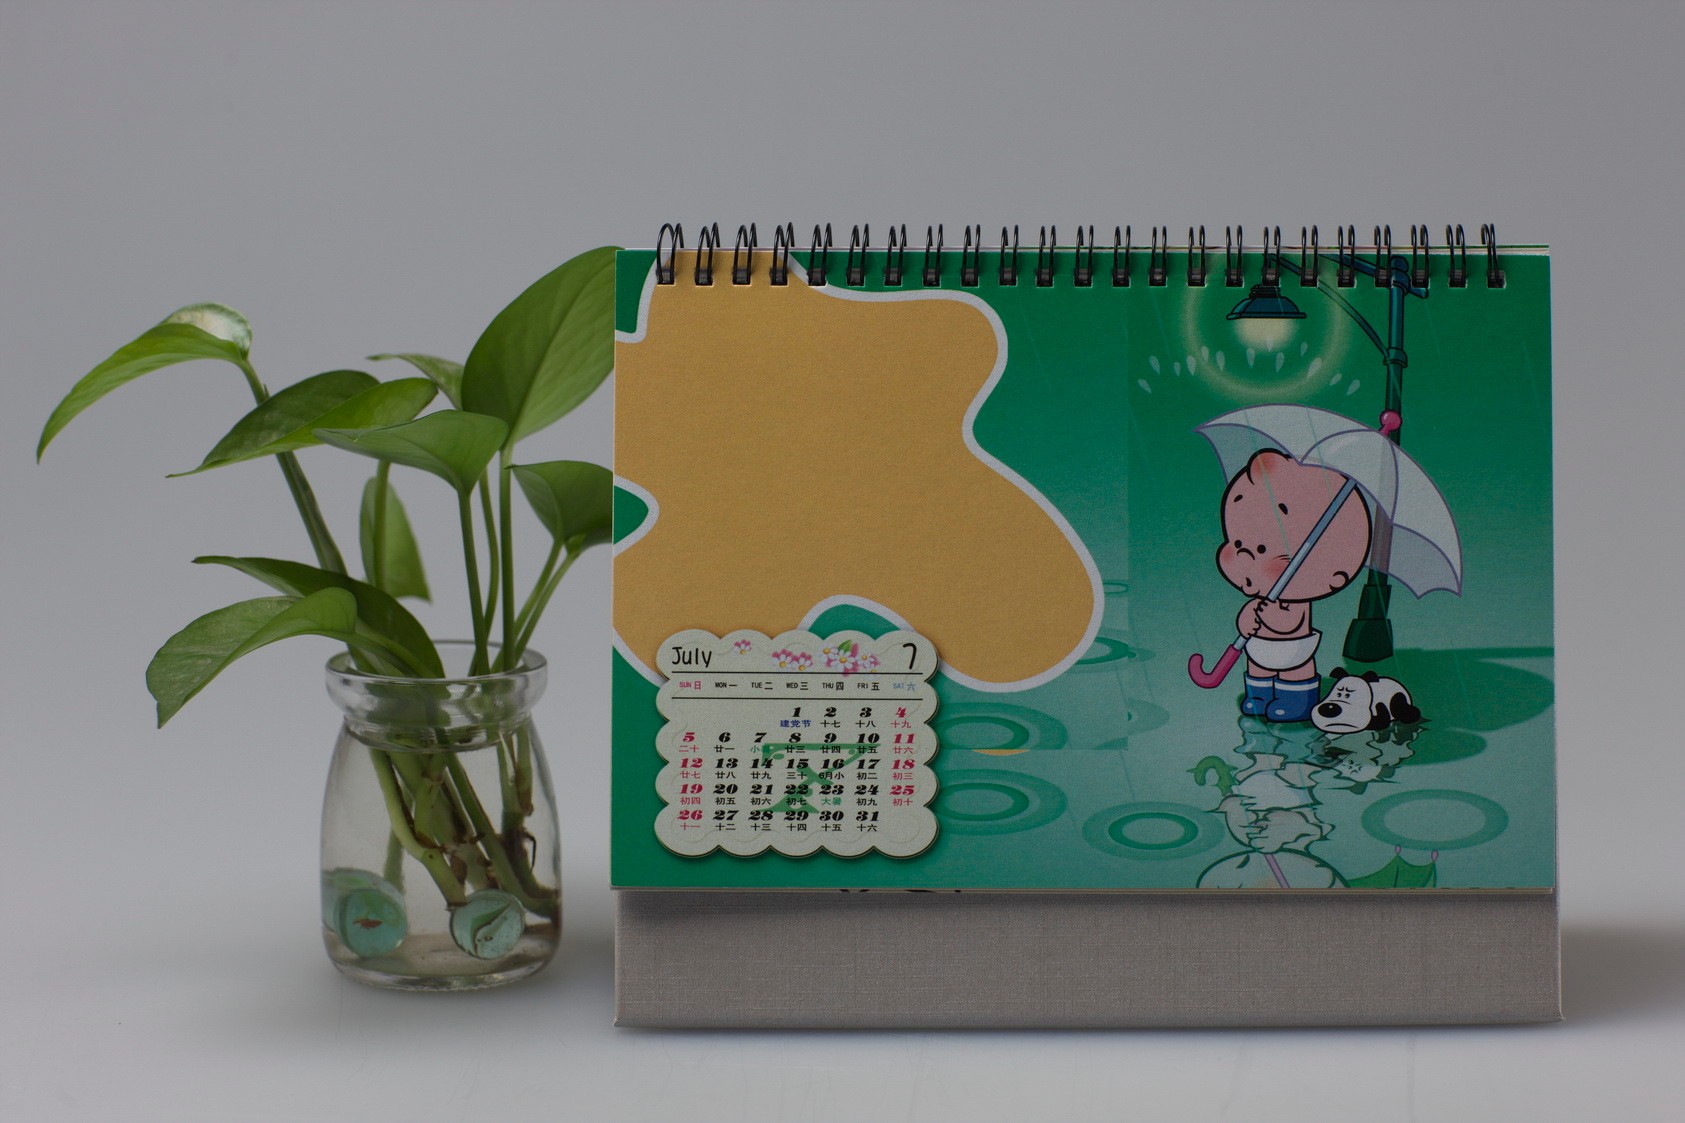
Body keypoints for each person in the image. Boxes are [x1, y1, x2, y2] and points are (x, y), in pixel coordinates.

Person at [1214, 449, 1371, 722]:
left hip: (1293, 650)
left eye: (1262, 549)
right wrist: (1246, 619)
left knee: (1295, 670)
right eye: (1239, 544)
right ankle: (1258, 695)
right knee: (1258, 668)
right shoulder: (1263, 594)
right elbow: (1251, 615)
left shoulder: (1296, 600)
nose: (1245, 557)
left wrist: (1267, 616)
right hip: (1259, 647)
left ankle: (1297, 698)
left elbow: (1289, 622)